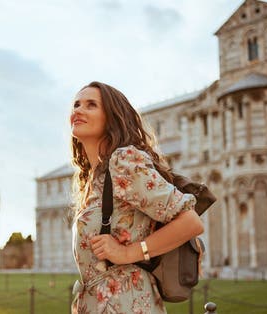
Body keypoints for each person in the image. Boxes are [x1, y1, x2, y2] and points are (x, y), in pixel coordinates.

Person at [69, 81, 204, 313]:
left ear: (111, 118)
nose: (78, 110)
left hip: (126, 303)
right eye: (76, 104)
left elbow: (190, 222)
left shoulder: (123, 161)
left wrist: (127, 253)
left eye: (91, 105)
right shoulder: (92, 179)